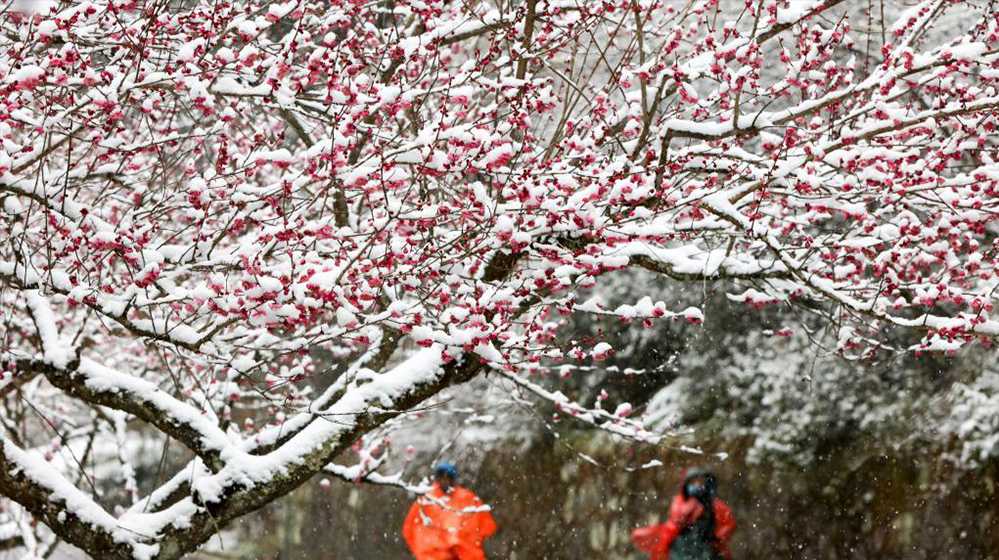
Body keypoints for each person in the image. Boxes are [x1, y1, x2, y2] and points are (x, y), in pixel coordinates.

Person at [632, 468, 737, 560]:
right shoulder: (681, 502)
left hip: (706, 549)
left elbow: (727, 524)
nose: (697, 486)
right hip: (682, 548)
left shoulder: (714, 505)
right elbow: (674, 524)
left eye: (700, 482)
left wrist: (716, 538)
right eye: (693, 482)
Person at [402, 462, 498, 560]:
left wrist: (468, 540)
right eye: (442, 477)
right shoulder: (426, 500)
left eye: (448, 477)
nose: (445, 481)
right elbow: (409, 529)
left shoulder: (467, 498)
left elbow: (487, 526)